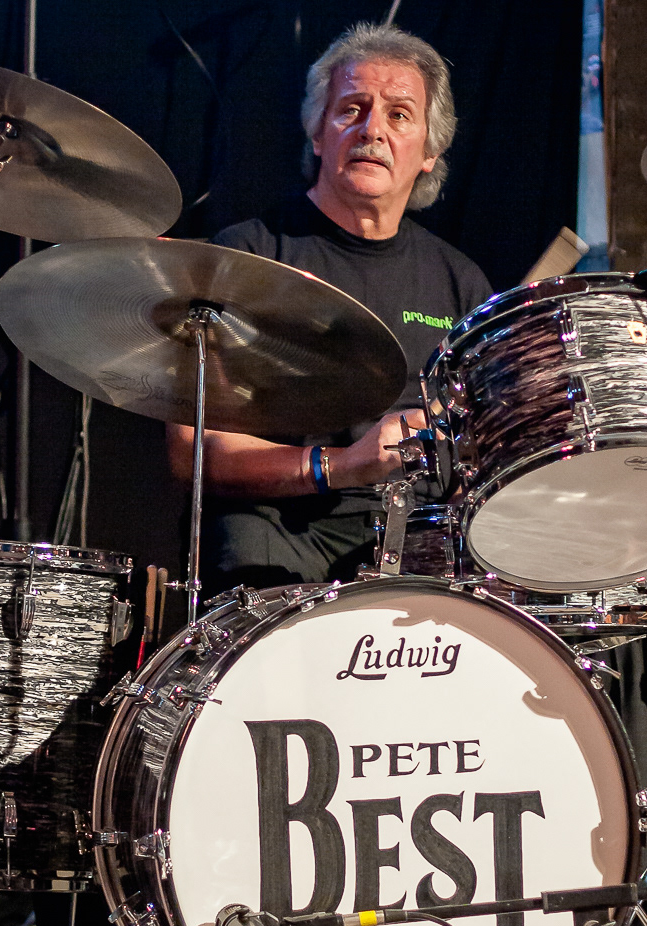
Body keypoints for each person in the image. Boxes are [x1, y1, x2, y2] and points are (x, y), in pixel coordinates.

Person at [167, 22, 491, 595]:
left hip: (417, 534)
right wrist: (341, 466)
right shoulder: (245, 256)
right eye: (351, 109)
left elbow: (479, 454)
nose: (372, 130)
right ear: (317, 133)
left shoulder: (460, 282)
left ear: (429, 152)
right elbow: (193, 454)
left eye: (398, 114)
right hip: (277, 522)